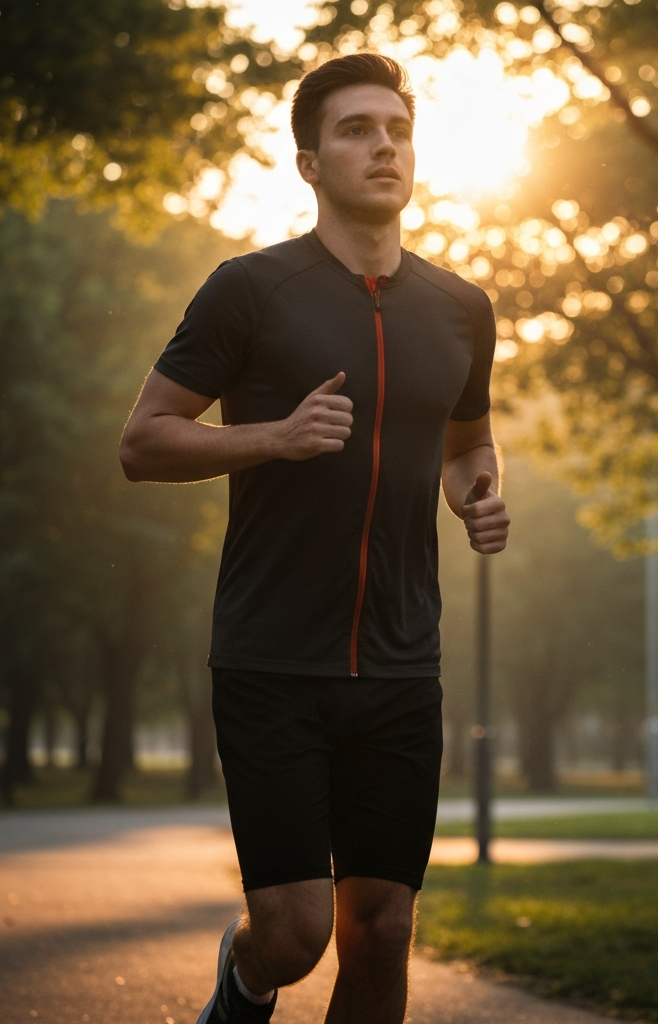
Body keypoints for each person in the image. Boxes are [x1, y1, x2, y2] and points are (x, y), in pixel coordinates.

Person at [119, 53, 509, 1024]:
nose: (384, 146)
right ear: (308, 164)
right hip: (272, 659)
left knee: (379, 930)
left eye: (398, 130)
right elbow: (144, 441)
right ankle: (244, 980)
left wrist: (475, 494)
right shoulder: (249, 290)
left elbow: (468, 441)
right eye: (355, 130)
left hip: (401, 662)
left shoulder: (462, 310)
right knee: (295, 935)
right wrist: (274, 438)